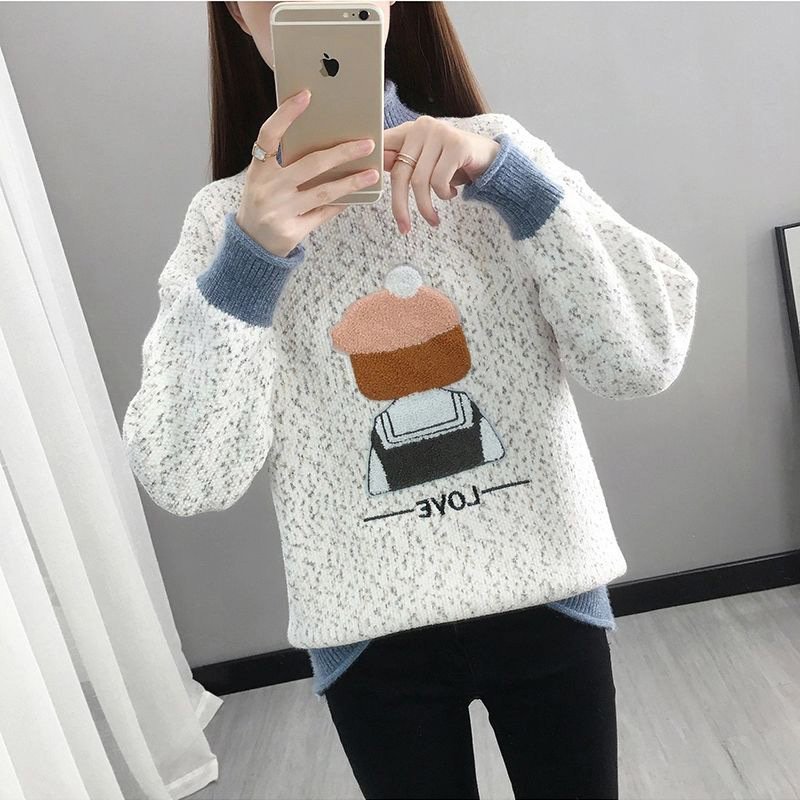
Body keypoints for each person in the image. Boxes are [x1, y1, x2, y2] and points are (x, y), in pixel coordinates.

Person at [122, 2, 700, 798]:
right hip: (368, 636)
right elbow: (186, 476)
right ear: (236, 15)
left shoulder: (498, 156)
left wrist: (515, 185)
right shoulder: (224, 222)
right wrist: (249, 263)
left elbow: (643, 357)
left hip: (547, 592)